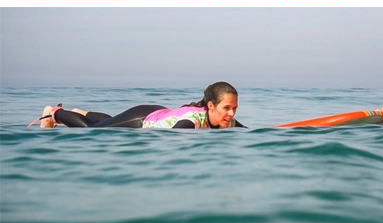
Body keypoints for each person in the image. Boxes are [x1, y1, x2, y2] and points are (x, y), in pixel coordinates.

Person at [33, 82, 246, 129]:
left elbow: (252, 133)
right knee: (95, 130)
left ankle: (81, 112)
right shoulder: (190, 123)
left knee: (110, 121)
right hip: (142, 119)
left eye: (234, 108)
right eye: (227, 108)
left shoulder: (225, 120)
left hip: (156, 111)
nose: (231, 113)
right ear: (211, 106)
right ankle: (54, 112)